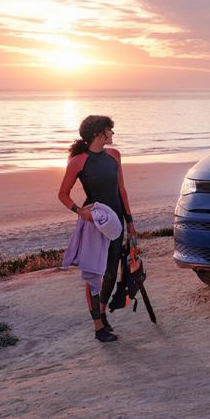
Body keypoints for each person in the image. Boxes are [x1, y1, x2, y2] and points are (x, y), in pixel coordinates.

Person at [59, 115, 138, 342]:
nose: (112, 134)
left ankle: (102, 314)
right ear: (98, 134)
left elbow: (121, 191)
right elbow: (62, 194)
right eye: (109, 130)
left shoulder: (114, 156)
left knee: (112, 272)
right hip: (95, 224)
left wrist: (130, 222)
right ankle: (97, 326)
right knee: (95, 274)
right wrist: (79, 210)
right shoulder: (78, 161)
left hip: (116, 223)